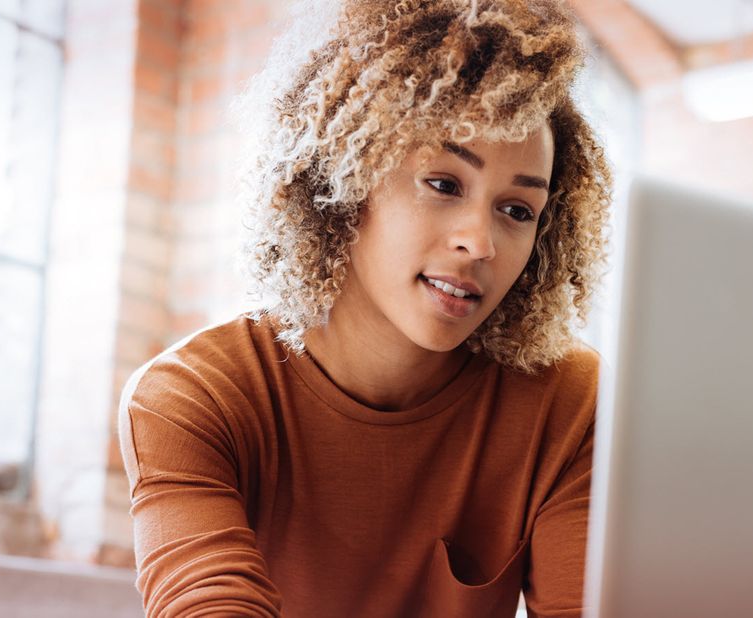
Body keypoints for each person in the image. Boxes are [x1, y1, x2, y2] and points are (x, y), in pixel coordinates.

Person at [117, 0, 612, 615]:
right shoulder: (194, 400)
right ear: (343, 181)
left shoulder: (567, 403)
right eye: (444, 184)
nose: (480, 243)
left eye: (517, 211)